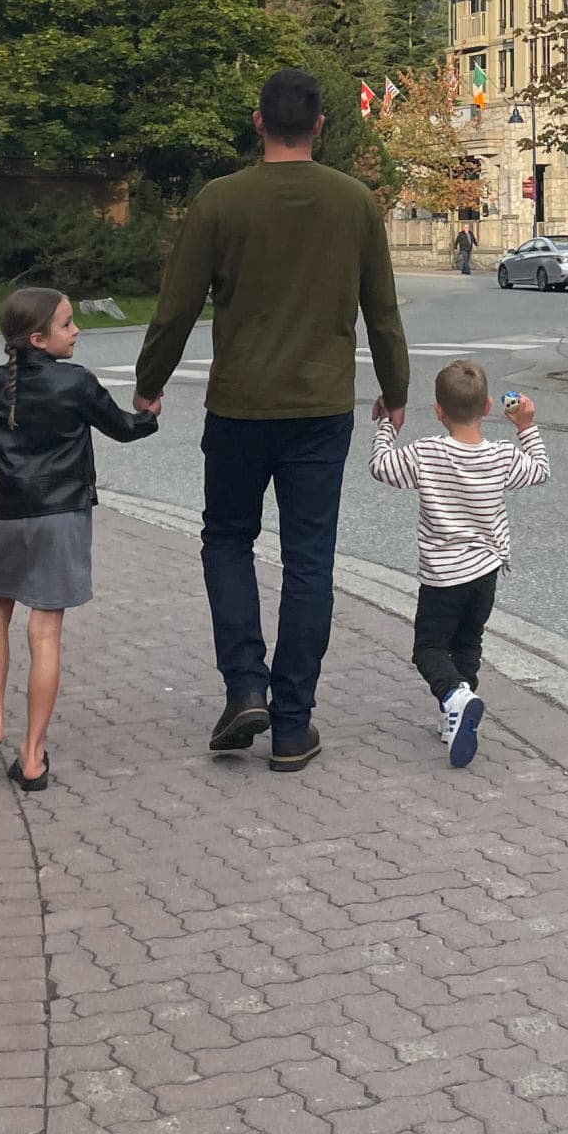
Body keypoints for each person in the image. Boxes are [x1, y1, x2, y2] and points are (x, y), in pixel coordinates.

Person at [133, 65, 409, 774]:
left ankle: (245, 684)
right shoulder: (354, 203)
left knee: (226, 538)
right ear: (320, 125)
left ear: (258, 122)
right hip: (320, 409)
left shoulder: (219, 201)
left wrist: (150, 384)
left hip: (238, 405)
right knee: (309, 560)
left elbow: (177, 305)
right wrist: (395, 387)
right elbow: (381, 309)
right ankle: (292, 724)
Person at [0, 285, 155, 791]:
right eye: (67, 324)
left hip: (13, 516)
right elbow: (124, 429)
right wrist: (150, 413)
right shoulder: (76, 383)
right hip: (63, 517)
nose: (76, 330)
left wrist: (5, 438)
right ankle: (32, 755)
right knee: (44, 632)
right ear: (39, 338)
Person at [370, 360, 548, 770]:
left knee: (428, 648)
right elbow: (539, 469)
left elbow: (381, 466)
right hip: (485, 573)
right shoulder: (503, 457)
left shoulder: (427, 452)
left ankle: (454, 696)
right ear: (488, 407)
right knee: (468, 643)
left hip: (442, 574)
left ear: (437, 410)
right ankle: (455, 720)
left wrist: (386, 427)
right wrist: (525, 426)